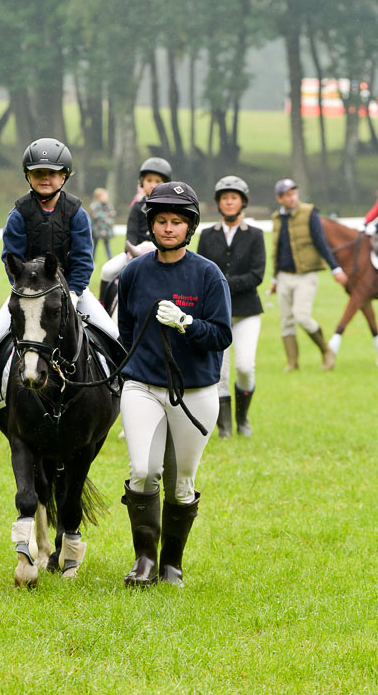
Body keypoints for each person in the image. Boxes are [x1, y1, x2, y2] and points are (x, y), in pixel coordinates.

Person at [0, 137, 119, 421]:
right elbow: (11, 258)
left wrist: (74, 293)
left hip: (73, 290)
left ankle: (120, 382)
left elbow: (83, 259)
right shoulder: (18, 214)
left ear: (63, 176)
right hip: (28, 294)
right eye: (39, 173)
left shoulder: (77, 213)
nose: (45, 179)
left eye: (51, 174)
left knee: (111, 333)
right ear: (28, 175)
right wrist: (23, 291)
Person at [117, 182, 232, 587]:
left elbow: (221, 335)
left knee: (181, 483)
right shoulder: (134, 272)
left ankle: (172, 565)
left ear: (190, 227)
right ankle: (144, 561)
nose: (168, 229)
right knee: (143, 470)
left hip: (195, 392)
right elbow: (126, 332)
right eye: (161, 221)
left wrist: (185, 324)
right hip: (142, 387)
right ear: (152, 225)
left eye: (176, 222)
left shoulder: (208, 275)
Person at [197, 176, 265, 438]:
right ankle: (224, 427)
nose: (228, 202)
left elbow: (257, 274)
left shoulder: (256, 235)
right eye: (224, 198)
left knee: (245, 367)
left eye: (233, 197)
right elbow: (201, 270)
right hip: (217, 313)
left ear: (242, 202)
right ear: (218, 203)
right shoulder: (206, 235)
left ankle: (242, 417)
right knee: (219, 373)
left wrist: (223, 284)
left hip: (247, 310)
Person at [269, 178, 347, 372]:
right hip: (284, 276)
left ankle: (326, 351)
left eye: (294, 193)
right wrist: (274, 278)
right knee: (286, 321)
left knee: (302, 317)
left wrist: (335, 268)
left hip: (306, 275)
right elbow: (277, 249)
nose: (292, 198)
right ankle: (292, 364)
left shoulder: (309, 213)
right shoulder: (276, 218)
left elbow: (321, 242)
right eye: (287, 195)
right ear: (279, 198)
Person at [98, 156, 172, 306]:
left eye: (158, 181)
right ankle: (103, 306)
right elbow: (131, 233)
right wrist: (132, 250)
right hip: (135, 253)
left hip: (163, 253)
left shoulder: (171, 208)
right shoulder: (137, 207)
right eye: (149, 180)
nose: (153, 185)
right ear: (142, 182)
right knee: (107, 270)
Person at [89, 187, 115, 262]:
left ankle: (110, 259)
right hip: (97, 230)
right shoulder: (94, 206)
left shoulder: (108, 206)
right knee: (95, 245)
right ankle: (92, 260)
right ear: (99, 197)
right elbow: (95, 216)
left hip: (105, 231)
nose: (106, 198)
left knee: (107, 245)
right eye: (104, 196)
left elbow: (111, 214)